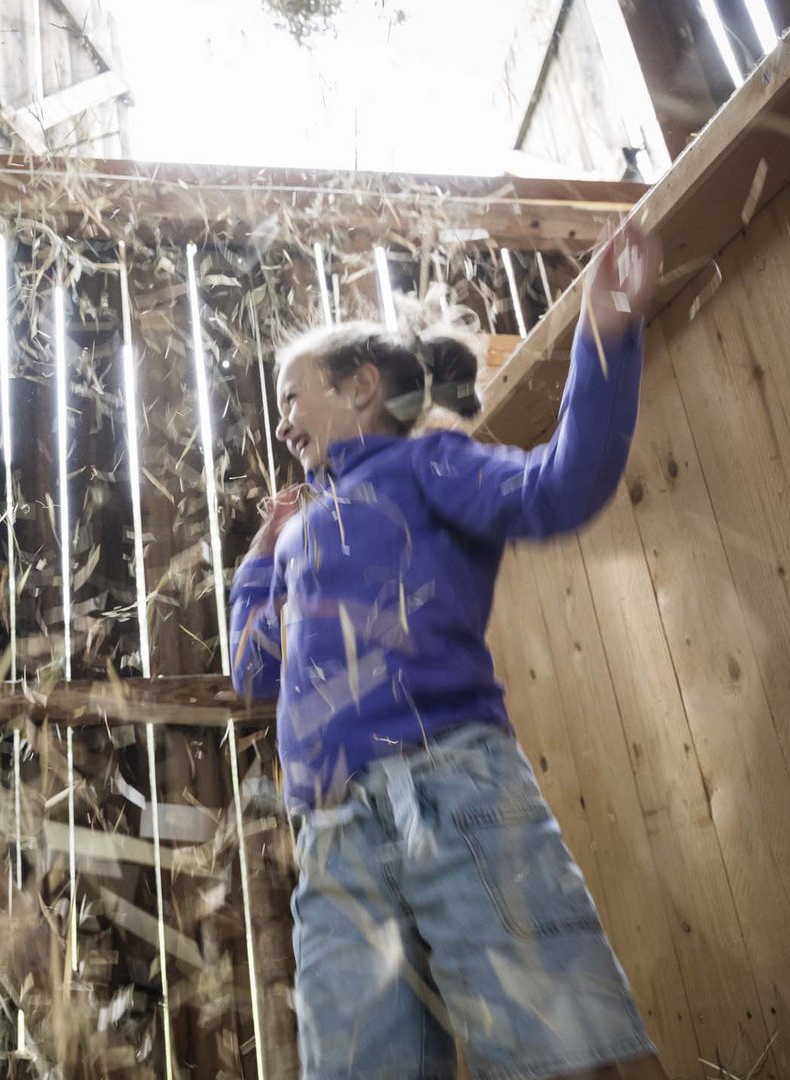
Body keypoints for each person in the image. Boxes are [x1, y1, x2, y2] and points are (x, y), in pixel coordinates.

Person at [231, 223, 668, 1080]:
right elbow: (252, 668)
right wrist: (258, 552)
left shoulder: (428, 464)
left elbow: (559, 487)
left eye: (292, 395)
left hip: (453, 795)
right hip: (332, 843)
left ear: (360, 387)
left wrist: (606, 337)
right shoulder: (297, 539)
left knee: (565, 1056)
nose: (279, 418)